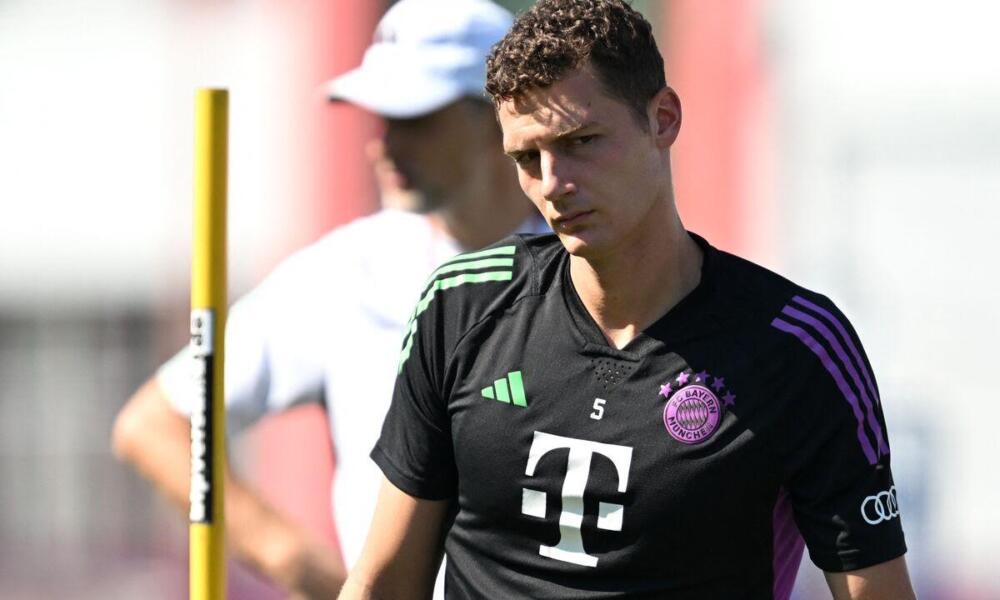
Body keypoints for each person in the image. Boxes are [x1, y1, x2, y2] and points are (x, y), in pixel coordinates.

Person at [340, 1, 916, 598]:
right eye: (528, 158)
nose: (553, 183)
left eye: (581, 141)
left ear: (663, 119)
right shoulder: (460, 306)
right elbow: (384, 582)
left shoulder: (796, 347)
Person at [111, 1, 545, 598]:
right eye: (383, 118)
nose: (384, 145)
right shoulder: (350, 270)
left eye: (415, 117)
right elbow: (154, 424)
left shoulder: (592, 264)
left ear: (500, 118)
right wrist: (302, 565)